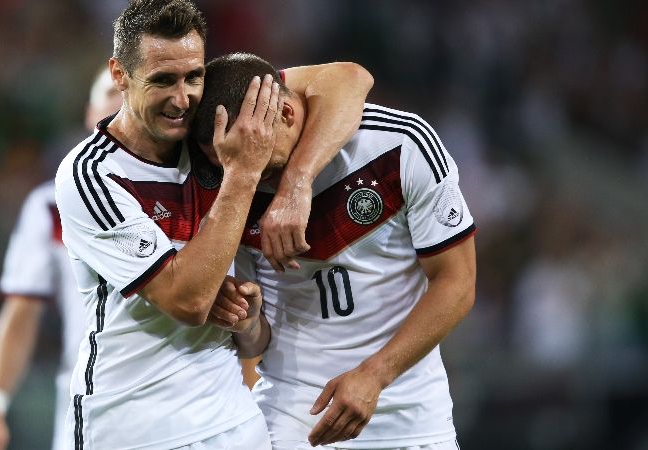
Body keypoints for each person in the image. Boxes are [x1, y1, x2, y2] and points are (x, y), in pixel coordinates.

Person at [53, 1, 372, 448]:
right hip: (134, 426)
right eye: (162, 80)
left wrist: (296, 184)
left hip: (233, 423)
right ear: (120, 75)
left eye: (193, 77)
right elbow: (188, 301)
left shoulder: (210, 132)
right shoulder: (92, 175)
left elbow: (349, 79)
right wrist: (243, 174)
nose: (182, 99)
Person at [194, 53, 477, 450]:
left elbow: (457, 283)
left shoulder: (399, 145)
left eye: (265, 164)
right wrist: (248, 322)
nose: (254, 178)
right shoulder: (232, 186)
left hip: (411, 422)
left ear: (288, 114)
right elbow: (255, 344)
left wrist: (375, 375)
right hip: (291, 423)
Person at [0, 68, 122, 450]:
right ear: (90, 112)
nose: (124, 101)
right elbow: (21, 312)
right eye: (113, 90)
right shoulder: (50, 206)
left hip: (187, 400)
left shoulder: (195, 195)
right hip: (90, 401)